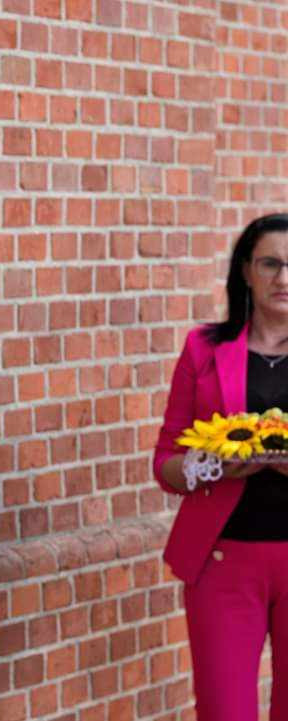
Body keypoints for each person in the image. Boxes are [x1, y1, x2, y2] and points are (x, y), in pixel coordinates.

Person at [154, 213, 288, 720]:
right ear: (246, 271)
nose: (283, 278)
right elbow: (165, 462)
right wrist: (213, 465)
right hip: (224, 562)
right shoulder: (203, 349)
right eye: (270, 263)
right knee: (223, 710)